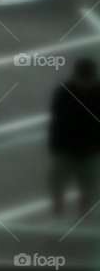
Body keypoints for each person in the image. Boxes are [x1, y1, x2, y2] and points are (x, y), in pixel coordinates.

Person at [49, 58, 100, 219]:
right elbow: (58, 121)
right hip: (65, 150)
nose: (85, 82)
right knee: (57, 185)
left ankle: (82, 215)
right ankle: (57, 213)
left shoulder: (64, 92)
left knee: (88, 188)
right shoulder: (63, 93)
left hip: (89, 150)